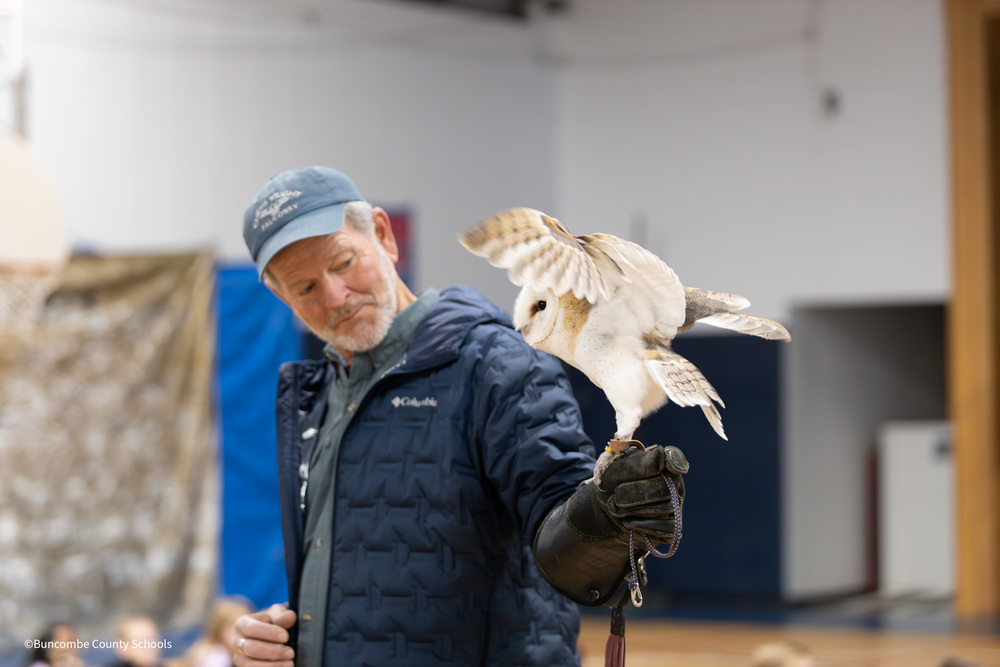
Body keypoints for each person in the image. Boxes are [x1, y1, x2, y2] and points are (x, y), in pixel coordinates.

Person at [231, 166, 688, 667]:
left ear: (383, 236)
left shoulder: (497, 364)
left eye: (343, 262)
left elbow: (566, 541)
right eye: (305, 288)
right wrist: (283, 641)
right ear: (282, 298)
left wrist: (606, 517)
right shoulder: (314, 401)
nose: (334, 297)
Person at [184, 598, 255, 667]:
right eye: (232, 623)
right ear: (219, 628)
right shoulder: (216, 655)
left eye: (245, 623)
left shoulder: (233, 655)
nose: (240, 629)